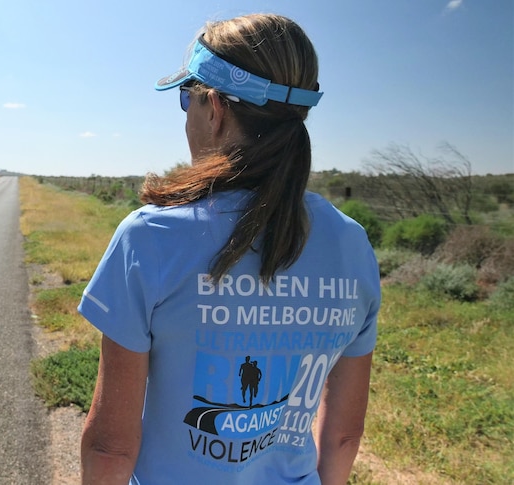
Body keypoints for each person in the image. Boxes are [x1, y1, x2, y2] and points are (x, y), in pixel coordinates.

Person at [79, 13, 380, 485]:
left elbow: (110, 446)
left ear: (215, 107)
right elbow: (344, 436)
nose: (188, 118)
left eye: (187, 100)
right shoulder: (352, 243)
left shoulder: (150, 238)